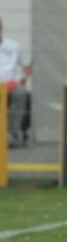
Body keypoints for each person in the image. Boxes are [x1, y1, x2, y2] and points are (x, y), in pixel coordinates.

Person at [0, 17, 32, 148]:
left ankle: (13, 133)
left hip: (11, 85)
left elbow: (27, 66)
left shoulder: (13, 46)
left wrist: (22, 80)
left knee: (21, 92)